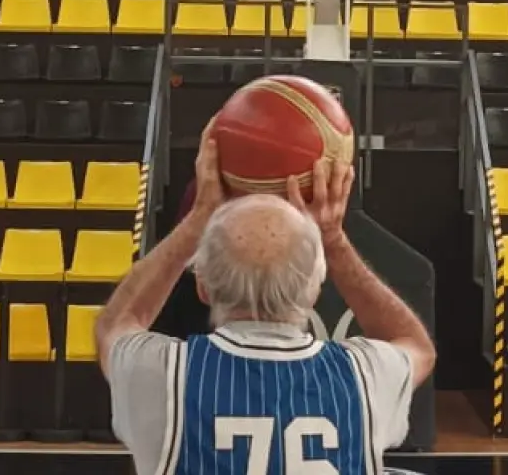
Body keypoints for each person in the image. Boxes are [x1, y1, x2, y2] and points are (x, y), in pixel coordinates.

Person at [96, 128, 436, 475]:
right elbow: (416, 345)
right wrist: (334, 240)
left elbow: (116, 325)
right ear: (316, 289)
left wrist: (198, 218)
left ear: (202, 286)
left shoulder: (163, 376)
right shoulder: (365, 377)